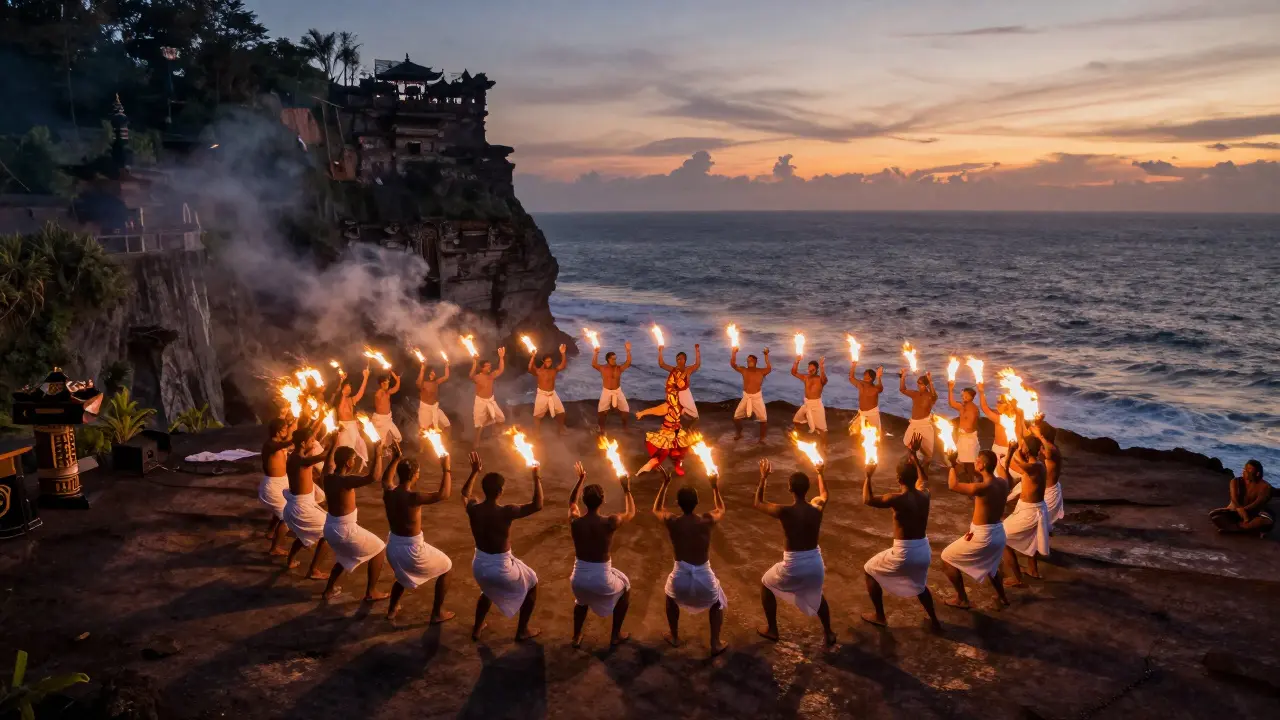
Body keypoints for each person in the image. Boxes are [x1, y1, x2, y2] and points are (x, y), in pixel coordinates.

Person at [861, 437, 942, 633]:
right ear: (915, 478)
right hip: (923, 549)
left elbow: (868, 500)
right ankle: (935, 620)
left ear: (898, 479)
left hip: (904, 552)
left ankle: (880, 616)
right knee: (920, 586)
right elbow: (924, 479)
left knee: (868, 570)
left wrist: (868, 476)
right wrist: (913, 455)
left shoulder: (896, 499)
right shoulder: (925, 494)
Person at [754, 458, 836, 647]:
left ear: (790, 489)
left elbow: (758, 503)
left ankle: (772, 630)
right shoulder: (817, 508)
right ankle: (829, 632)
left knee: (766, 584)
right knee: (817, 594)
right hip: (816, 563)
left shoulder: (785, 511)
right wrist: (820, 472)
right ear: (807, 489)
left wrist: (763, 478)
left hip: (794, 565)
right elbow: (824, 494)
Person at [461, 455, 543, 641]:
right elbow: (537, 505)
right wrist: (536, 477)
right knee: (532, 583)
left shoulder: (473, 509)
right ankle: (522, 630)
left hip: (479, 565)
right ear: (500, 491)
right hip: (501, 567)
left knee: (487, 590)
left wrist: (474, 472)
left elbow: (465, 494)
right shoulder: (507, 511)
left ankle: (477, 628)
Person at [653, 467, 728, 656]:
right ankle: (715, 642)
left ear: (678, 503)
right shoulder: (707, 520)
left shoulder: (673, 521)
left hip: (680, 578)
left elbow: (656, 509)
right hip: (704, 577)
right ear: (697, 502)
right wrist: (714, 486)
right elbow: (721, 509)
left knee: (670, 599)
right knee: (717, 603)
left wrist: (665, 484)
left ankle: (674, 636)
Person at [381, 447, 457, 623]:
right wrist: (446, 468)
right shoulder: (413, 497)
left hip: (392, 548)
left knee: (402, 575)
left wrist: (395, 459)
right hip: (412, 550)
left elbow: (386, 479)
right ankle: (437, 613)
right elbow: (444, 494)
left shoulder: (389, 492)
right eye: (418, 473)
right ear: (415, 474)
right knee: (447, 567)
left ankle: (392, 609)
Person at [568, 461, 636, 648]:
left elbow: (572, 502)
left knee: (580, 603)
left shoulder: (575, 521)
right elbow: (631, 512)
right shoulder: (610, 522)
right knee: (625, 589)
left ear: (584, 501)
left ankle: (576, 637)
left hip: (578, 579)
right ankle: (615, 635)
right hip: (601, 579)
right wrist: (627, 489)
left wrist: (580, 480)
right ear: (603, 500)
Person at [320, 435, 389, 602]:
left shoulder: (327, 476)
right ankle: (371, 591)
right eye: (353, 459)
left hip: (330, 527)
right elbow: (373, 477)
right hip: (344, 529)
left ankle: (328, 590)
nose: (355, 461)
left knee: (344, 557)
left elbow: (329, 462)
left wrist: (334, 445)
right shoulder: (345, 481)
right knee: (379, 549)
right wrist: (378, 454)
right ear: (348, 463)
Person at [939, 448, 1010, 609]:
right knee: (992, 567)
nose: (975, 461)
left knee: (946, 558)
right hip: (999, 532)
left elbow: (953, 485)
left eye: (977, 460)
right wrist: (1008, 454)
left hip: (983, 536)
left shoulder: (982, 487)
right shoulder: (1003, 482)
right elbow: (1003, 472)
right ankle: (1003, 598)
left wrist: (951, 464)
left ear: (983, 465)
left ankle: (962, 599)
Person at [1001, 436, 1050, 587]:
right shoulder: (1033, 465)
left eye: (1023, 446)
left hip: (1031, 511)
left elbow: (1018, 462)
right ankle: (1032, 570)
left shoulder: (1037, 466)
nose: (1021, 448)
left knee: (1002, 539)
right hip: (1029, 508)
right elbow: (1009, 467)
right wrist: (1009, 454)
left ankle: (1017, 579)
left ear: (1027, 449)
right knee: (1033, 538)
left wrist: (1013, 449)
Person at [282, 427, 331, 579]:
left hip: (298, 506)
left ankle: (290, 560)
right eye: (311, 441)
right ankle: (314, 570)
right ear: (303, 443)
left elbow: (312, 454)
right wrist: (333, 444)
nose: (314, 442)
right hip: (301, 508)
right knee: (329, 534)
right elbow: (322, 457)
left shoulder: (297, 455)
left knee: (305, 535)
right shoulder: (299, 460)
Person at [636, 374, 693, 476]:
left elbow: (686, 411)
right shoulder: (667, 406)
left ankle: (677, 464)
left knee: (684, 447)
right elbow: (654, 410)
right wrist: (642, 413)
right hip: (667, 431)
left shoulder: (681, 404)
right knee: (664, 451)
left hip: (677, 431)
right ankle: (650, 465)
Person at [260, 417, 297, 556]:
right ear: (278, 431)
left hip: (282, 482)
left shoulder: (280, 442)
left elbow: (287, 438)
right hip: (272, 485)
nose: (287, 431)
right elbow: (281, 445)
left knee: (281, 511)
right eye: (284, 429)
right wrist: (295, 439)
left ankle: (270, 532)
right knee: (286, 518)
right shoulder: (270, 445)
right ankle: (274, 548)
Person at [1210, 460, 1273, 535]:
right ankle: (1245, 529)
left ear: (1257, 473)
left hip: (1255, 514)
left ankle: (1235, 528)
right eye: (1244, 468)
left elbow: (1257, 504)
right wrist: (1240, 511)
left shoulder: (1266, 487)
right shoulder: (1235, 481)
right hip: (1237, 511)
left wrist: (1244, 512)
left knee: (1266, 521)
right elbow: (1234, 499)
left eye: (1249, 469)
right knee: (1214, 515)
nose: (1245, 471)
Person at [976, 384, 1020, 482]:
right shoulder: (1018, 417)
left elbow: (984, 408)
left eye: (1000, 402)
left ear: (1007, 405)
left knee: (998, 479)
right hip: (1012, 451)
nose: (997, 404)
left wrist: (981, 392)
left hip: (1001, 452)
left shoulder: (1002, 419)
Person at [731, 346, 772, 443]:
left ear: (755, 361)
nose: (749, 361)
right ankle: (739, 433)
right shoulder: (744, 370)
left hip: (757, 398)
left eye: (751, 359)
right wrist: (734, 353)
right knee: (736, 417)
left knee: (763, 420)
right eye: (748, 360)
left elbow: (769, 368)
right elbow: (733, 364)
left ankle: (761, 438)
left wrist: (766, 356)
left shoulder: (761, 371)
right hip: (746, 397)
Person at [333, 367, 371, 470]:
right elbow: (339, 396)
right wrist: (341, 380)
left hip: (352, 426)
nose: (348, 390)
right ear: (342, 389)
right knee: (342, 448)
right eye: (346, 388)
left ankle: (346, 468)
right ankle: (338, 468)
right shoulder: (339, 400)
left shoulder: (351, 400)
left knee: (352, 448)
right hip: (343, 427)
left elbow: (361, 393)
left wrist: (366, 378)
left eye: (349, 389)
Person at [470, 348, 507, 448]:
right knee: (479, 424)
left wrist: (501, 357)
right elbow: (471, 376)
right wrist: (474, 362)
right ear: (482, 368)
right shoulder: (478, 377)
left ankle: (496, 435)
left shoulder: (491, 375)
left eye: (490, 366)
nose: (489, 368)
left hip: (491, 400)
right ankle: (476, 442)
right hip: (480, 401)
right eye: (487, 366)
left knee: (501, 419)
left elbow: (501, 370)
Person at [900, 370, 939, 465]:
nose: (918, 385)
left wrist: (930, 382)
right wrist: (903, 377)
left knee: (927, 452)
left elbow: (934, 396)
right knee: (908, 443)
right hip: (914, 423)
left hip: (925, 424)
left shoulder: (929, 396)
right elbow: (902, 390)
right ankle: (911, 463)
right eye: (918, 383)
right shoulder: (915, 394)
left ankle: (925, 468)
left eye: (920, 384)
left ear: (925, 385)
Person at [529, 344, 568, 435]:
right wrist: (533, 356)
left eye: (550, 361)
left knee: (561, 412)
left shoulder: (554, 370)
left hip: (552, 393)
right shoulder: (539, 371)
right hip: (542, 394)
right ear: (543, 361)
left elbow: (562, 365)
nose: (549, 363)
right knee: (537, 416)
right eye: (547, 361)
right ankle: (537, 432)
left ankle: (561, 429)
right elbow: (530, 368)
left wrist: (563, 353)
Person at [592, 342, 632, 433]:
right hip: (606, 391)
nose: (615, 360)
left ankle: (625, 427)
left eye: (615, 359)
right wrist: (596, 353)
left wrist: (628, 351)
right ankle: (601, 429)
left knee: (625, 409)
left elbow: (628, 363)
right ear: (608, 359)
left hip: (618, 391)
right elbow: (594, 364)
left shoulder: (619, 368)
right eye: (613, 359)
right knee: (602, 412)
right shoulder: (603, 368)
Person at [791, 356, 829, 447]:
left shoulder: (820, 379)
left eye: (812, 368)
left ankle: (824, 446)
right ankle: (802, 437)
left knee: (822, 429)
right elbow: (794, 372)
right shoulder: (805, 378)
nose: (810, 370)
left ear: (816, 369)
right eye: (809, 368)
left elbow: (825, 379)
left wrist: (822, 366)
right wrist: (797, 361)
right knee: (796, 421)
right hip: (807, 404)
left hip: (816, 405)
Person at [946, 380, 981, 478]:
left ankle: (973, 482)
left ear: (972, 397)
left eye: (966, 395)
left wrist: (963, 432)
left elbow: (970, 426)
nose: (963, 397)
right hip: (962, 438)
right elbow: (952, 403)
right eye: (963, 395)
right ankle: (968, 480)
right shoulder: (962, 407)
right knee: (962, 461)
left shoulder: (973, 409)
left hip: (969, 438)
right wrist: (950, 389)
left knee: (970, 463)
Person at [658, 343, 701, 421]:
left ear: (685, 360)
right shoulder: (673, 370)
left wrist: (697, 350)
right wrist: (660, 351)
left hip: (686, 393)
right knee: (676, 411)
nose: (679, 360)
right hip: (676, 394)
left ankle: (688, 426)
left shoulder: (688, 370)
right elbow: (661, 364)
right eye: (677, 359)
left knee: (694, 415)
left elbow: (697, 364)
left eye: (681, 358)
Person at [1033, 422, 1065, 524]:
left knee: (1039, 523)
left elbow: (1049, 452)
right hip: (1043, 490)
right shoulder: (1045, 447)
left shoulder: (1053, 450)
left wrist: (1039, 436)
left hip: (1050, 492)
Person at [847, 364, 884, 437]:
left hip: (873, 414)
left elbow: (880, 388)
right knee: (863, 434)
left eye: (866, 374)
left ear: (870, 378)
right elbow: (851, 377)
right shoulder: (861, 384)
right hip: (863, 413)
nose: (864, 374)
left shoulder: (874, 389)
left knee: (875, 435)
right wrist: (854, 364)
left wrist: (879, 377)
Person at [416, 358, 451, 434]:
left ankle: (438, 430)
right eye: (431, 373)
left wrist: (446, 366)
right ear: (428, 374)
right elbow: (418, 382)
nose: (433, 374)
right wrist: (422, 369)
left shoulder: (436, 382)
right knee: (424, 429)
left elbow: (446, 376)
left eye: (434, 373)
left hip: (435, 406)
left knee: (446, 424)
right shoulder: (423, 383)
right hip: (425, 407)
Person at [371, 371, 404, 445]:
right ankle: (381, 454)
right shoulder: (379, 393)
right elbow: (378, 397)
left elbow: (396, 388)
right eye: (386, 383)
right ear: (382, 384)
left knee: (398, 437)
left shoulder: (387, 392)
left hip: (388, 418)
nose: (388, 384)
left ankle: (395, 450)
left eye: (388, 382)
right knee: (381, 442)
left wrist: (397, 379)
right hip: (380, 420)